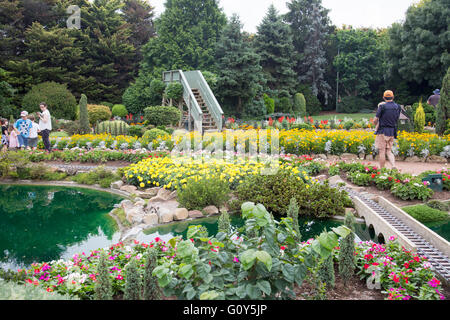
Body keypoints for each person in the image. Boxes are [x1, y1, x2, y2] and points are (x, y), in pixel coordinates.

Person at [374, 90, 401, 169]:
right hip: (392, 131)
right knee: (389, 151)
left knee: (382, 151)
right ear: (393, 97)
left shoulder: (382, 107)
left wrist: (376, 125)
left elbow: (375, 120)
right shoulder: (397, 107)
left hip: (382, 131)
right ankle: (393, 165)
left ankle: (382, 169)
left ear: (383, 97)